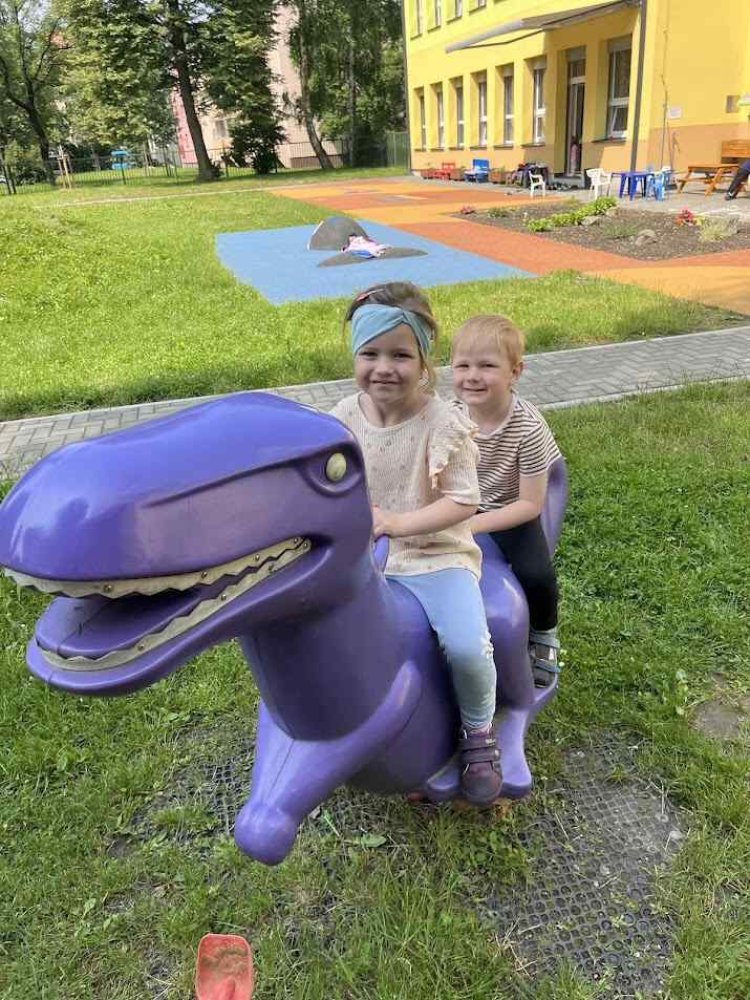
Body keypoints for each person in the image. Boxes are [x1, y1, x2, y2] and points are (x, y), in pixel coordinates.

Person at [330, 282, 501, 806]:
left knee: (467, 647)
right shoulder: (343, 418)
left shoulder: (443, 423)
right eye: (370, 354)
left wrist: (395, 523)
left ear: (424, 360)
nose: (384, 368)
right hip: (366, 560)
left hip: (436, 557)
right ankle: (339, 721)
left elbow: (464, 501)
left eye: (400, 355)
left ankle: (479, 732)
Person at [451, 315, 562, 687]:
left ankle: (544, 634)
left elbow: (530, 505)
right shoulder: (450, 415)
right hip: (463, 498)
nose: (472, 376)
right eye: (462, 366)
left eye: (487, 366)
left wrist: (472, 524)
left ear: (515, 372)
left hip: (510, 506)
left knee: (536, 574)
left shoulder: (528, 427)